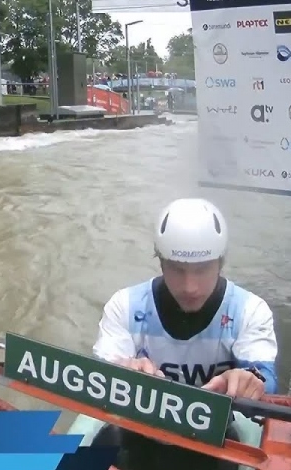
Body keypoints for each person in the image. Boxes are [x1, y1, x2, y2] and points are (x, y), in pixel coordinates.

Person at [83, 197, 278, 470]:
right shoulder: (124, 305)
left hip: (213, 439)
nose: (190, 287)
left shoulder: (249, 310)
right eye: (177, 269)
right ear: (161, 262)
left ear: (220, 262)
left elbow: (266, 378)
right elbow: (98, 378)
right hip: (139, 434)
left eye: (202, 269)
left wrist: (250, 380)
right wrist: (122, 372)